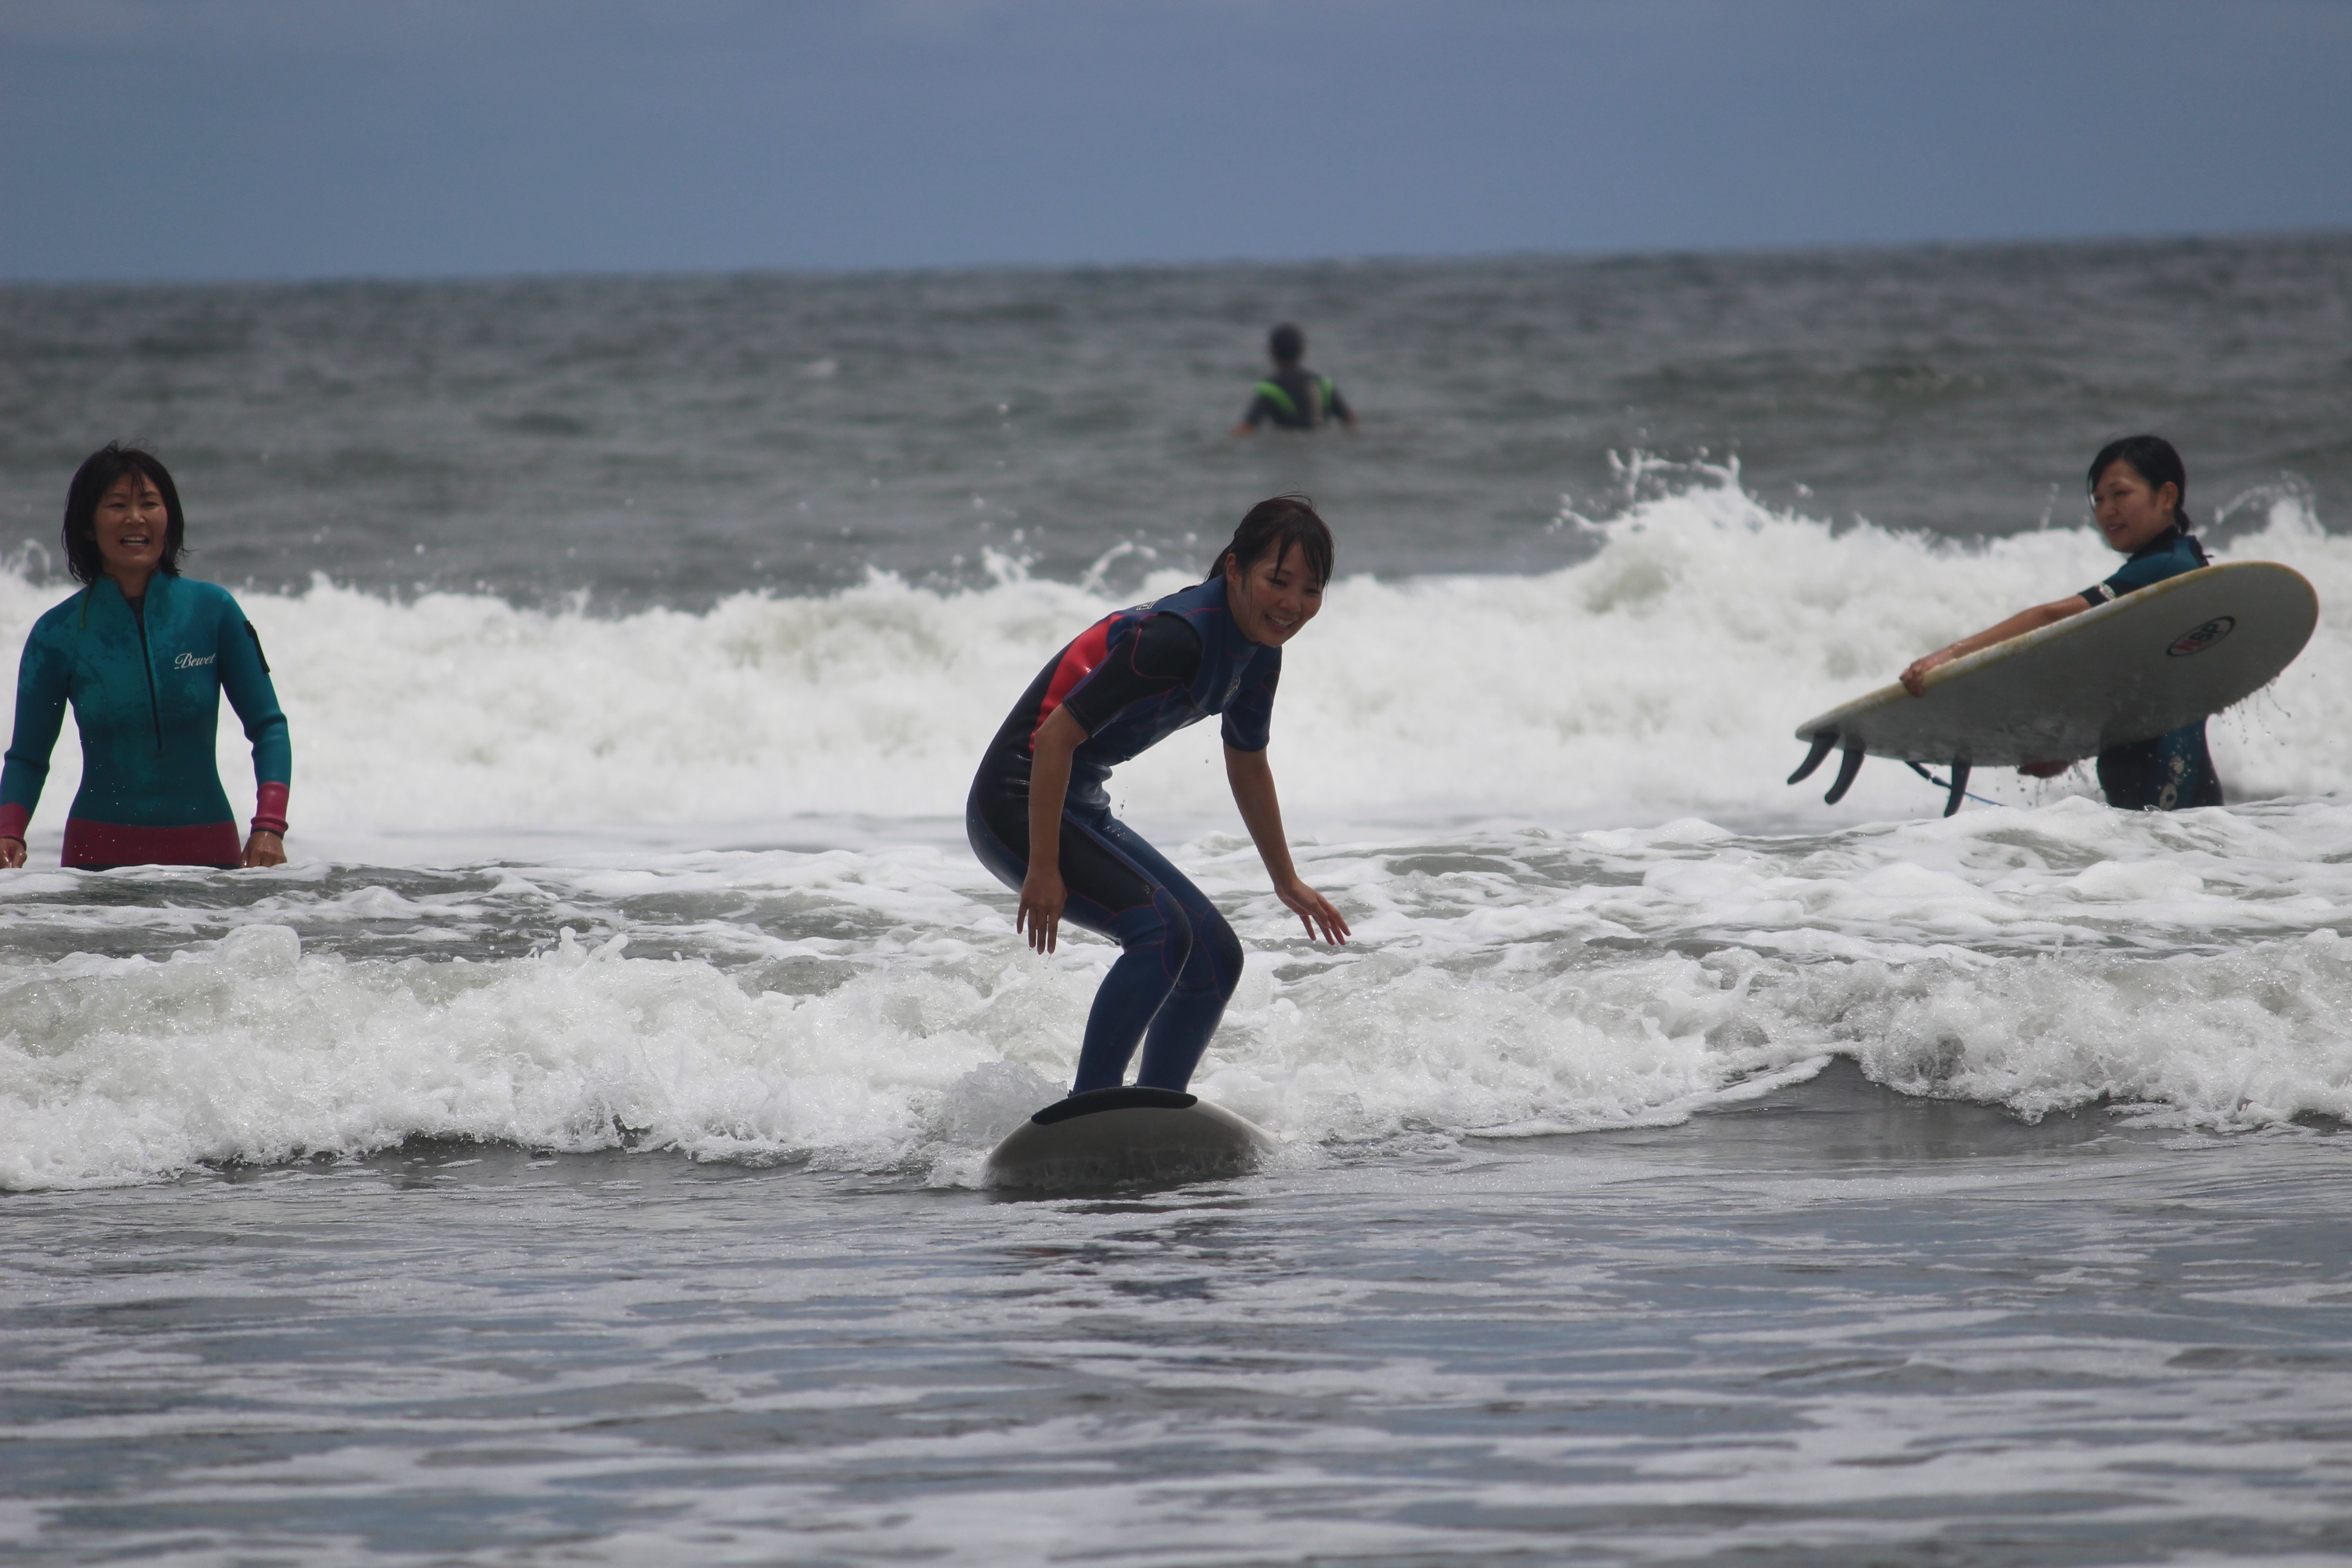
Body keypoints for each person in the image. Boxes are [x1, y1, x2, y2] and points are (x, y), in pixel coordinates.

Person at [966, 495, 1351, 1096]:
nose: (1293, 605)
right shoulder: (1176, 637)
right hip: (1016, 802)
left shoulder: (1259, 654)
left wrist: (1286, 879)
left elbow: (1248, 763)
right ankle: (1091, 1107)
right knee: (1162, 934)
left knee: (1216, 957)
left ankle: (1155, 1109)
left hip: (1078, 801)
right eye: (1278, 581)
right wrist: (1043, 867)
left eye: (1311, 589)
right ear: (1233, 568)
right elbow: (1054, 737)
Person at [1, 444, 291, 870]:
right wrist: (8, 833)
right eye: (117, 505)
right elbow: (27, 757)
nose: (135, 517)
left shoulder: (213, 612)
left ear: (167, 519)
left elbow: (269, 727)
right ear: (87, 526)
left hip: (208, 854)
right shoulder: (57, 633)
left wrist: (269, 825)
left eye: (149, 504)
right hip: (96, 860)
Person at [1900, 435, 2222, 811]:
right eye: (2098, 500)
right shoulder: (2174, 566)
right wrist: (2070, 751)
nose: (2107, 511)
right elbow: (2139, 694)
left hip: (2164, 775)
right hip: (2165, 770)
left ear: (2166, 497)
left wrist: (1951, 655)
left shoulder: (2166, 566)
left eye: (2120, 494)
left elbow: (2050, 617)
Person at [1232, 323, 1356, 434]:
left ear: (1271, 352)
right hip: (1322, 446)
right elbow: (1351, 422)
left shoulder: (1270, 389)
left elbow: (1247, 428)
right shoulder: (1324, 385)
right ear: (1303, 351)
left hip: (1287, 451)